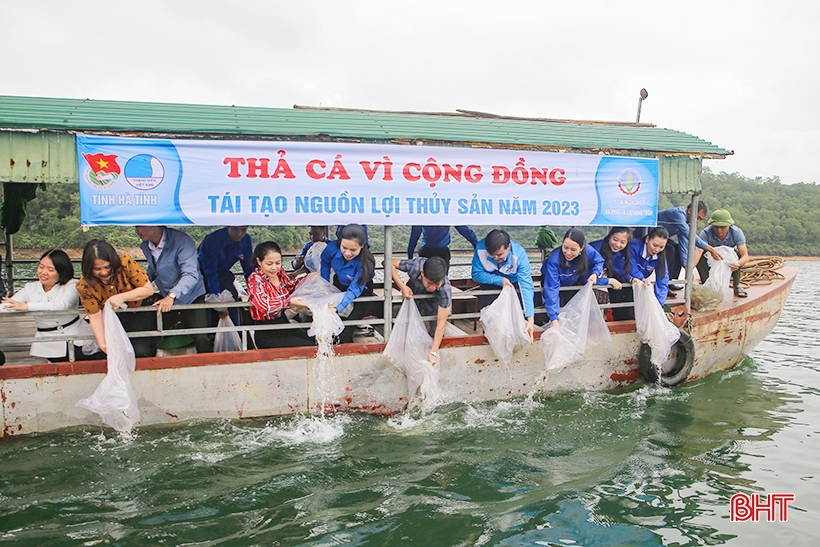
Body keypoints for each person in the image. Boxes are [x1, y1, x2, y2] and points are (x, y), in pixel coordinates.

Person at [2, 249, 103, 362]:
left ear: (62, 271)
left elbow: (62, 305)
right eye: (41, 267)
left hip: (77, 338)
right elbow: (10, 304)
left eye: (50, 269)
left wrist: (27, 306)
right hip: (49, 341)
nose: (43, 272)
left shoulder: (72, 285)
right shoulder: (30, 288)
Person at [135, 226, 213, 353]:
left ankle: (208, 365)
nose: (136, 231)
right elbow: (154, 269)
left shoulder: (182, 241)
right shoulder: (146, 246)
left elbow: (191, 275)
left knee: (201, 336)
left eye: (138, 227)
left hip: (191, 296)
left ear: (152, 225)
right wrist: (139, 286)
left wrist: (172, 296)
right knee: (152, 331)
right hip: (165, 294)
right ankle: (147, 362)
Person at [76, 240, 156, 357]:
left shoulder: (125, 263)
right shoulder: (84, 285)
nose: (103, 272)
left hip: (137, 309)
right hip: (110, 316)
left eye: (107, 267)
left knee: (140, 350)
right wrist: (102, 343)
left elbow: (148, 289)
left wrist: (121, 297)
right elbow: (94, 315)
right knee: (110, 351)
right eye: (97, 269)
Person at [246, 241, 314, 348]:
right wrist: (289, 302)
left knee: (313, 340)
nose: (274, 268)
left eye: (278, 263)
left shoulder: (280, 273)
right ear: (259, 261)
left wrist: (307, 279)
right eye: (269, 264)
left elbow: (290, 287)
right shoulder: (255, 279)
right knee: (308, 347)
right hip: (267, 332)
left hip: (283, 323)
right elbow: (263, 305)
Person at [471, 229, 535, 342]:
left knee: (514, 315)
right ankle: (490, 340)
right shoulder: (480, 248)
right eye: (491, 255)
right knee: (490, 317)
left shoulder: (519, 254)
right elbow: (476, 274)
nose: (495, 258)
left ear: (508, 247)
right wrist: (500, 280)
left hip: (512, 283)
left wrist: (530, 318)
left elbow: (526, 285)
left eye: (499, 255)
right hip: (490, 282)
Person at [390, 256, 451, 365]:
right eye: (430, 283)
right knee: (404, 326)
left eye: (437, 284)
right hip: (412, 296)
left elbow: (441, 323)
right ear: (422, 273)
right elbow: (388, 263)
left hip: (433, 303)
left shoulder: (445, 289)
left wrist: (433, 352)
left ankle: (427, 354)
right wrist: (402, 286)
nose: (432, 287)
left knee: (434, 328)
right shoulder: (416, 266)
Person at [321, 224, 376, 344]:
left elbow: (354, 290)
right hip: (340, 282)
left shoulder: (365, 264)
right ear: (340, 241)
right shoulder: (331, 249)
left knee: (348, 326)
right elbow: (325, 263)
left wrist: (337, 308)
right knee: (334, 323)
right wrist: (325, 286)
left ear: (362, 246)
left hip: (361, 288)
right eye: (344, 247)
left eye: (353, 250)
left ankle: (345, 346)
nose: (347, 253)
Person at [541, 228, 606, 327]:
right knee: (556, 310)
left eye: (573, 250)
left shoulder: (589, 251)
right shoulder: (554, 259)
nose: (568, 253)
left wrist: (595, 273)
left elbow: (599, 261)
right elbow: (551, 289)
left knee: (573, 312)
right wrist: (554, 319)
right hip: (554, 283)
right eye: (565, 247)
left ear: (582, 248)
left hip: (574, 281)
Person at [656, 201, 721, 290]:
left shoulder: (686, 221)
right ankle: (665, 284)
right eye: (697, 217)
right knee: (670, 250)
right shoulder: (678, 214)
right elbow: (689, 234)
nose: (697, 221)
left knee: (677, 248)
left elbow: (683, 242)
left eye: (700, 219)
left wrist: (686, 267)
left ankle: (670, 281)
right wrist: (710, 249)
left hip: (661, 237)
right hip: (650, 234)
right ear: (690, 211)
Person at [198, 226, 254, 325]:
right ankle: (208, 334)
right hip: (203, 275)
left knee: (233, 299)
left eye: (243, 230)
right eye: (235, 229)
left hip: (224, 273)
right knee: (207, 305)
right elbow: (210, 271)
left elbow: (248, 268)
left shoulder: (246, 240)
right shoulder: (213, 240)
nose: (239, 234)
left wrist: (254, 290)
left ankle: (237, 332)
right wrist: (218, 300)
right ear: (228, 226)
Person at [696, 209, 750, 297]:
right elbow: (698, 251)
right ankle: (705, 282)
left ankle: (736, 285)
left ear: (729, 225)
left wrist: (738, 264)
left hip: (730, 258)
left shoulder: (737, 233)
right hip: (712, 257)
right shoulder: (706, 233)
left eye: (723, 227)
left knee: (737, 255)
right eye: (716, 227)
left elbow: (745, 256)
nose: (719, 230)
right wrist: (689, 270)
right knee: (701, 256)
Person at [590, 227, 634, 321]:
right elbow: (588, 276)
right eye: (615, 239)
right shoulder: (595, 249)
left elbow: (621, 271)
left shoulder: (622, 253)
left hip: (607, 283)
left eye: (622, 242)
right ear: (609, 236)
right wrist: (609, 281)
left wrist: (632, 279)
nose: (617, 244)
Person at [629, 226, 670, 306]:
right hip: (624, 281)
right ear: (647, 239)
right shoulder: (633, 247)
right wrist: (642, 279)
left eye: (661, 247)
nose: (657, 250)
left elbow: (663, 279)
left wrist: (659, 304)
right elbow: (632, 269)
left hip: (640, 283)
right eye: (655, 245)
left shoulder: (660, 256)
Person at [407, 225, 478, 263]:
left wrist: (410, 258)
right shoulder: (422, 215)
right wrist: (476, 245)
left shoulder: (422, 214)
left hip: (438, 252)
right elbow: (466, 231)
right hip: (428, 252)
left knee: (436, 281)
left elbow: (414, 237)